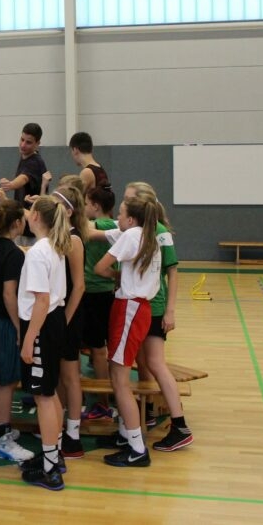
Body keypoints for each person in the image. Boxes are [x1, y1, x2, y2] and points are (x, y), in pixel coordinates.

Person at [93, 195, 162, 467]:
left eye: (120, 214)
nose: (117, 218)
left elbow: (100, 267)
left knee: (120, 380)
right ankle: (125, 434)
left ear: (131, 219)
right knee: (117, 373)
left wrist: (116, 276)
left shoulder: (131, 235)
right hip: (138, 308)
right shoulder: (149, 235)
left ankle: (137, 448)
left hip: (129, 309)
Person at [124, 182, 193, 452]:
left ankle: (179, 425)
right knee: (143, 361)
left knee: (155, 362)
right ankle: (149, 409)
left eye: (129, 199)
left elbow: (172, 272)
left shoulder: (160, 232)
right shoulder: (134, 230)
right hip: (141, 305)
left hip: (152, 306)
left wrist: (170, 310)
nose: (125, 204)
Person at [16, 195, 71, 490]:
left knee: (44, 396)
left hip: (42, 323)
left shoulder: (38, 252)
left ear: (35, 216)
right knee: (50, 392)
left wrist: (28, 340)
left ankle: (50, 470)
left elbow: (41, 300)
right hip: (53, 321)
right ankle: (54, 455)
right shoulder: (53, 246)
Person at [0, 200, 34, 463]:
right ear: (17, 223)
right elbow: (9, 294)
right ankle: (2, 440)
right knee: (7, 381)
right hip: (4, 321)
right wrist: (19, 327)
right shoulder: (13, 253)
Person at [51, 185, 87, 460]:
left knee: (71, 376)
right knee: (59, 376)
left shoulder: (73, 240)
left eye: (56, 204)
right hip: (57, 316)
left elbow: (79, 286)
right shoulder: (57, 237)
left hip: (69, 317)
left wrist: (65, 319)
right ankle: (58, 427)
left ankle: (73, 436)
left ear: (69, 211)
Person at [79, 185, 117, 420]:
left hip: (95, 294)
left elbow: (85, 229)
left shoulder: (103, 225)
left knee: (98, 348)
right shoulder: (113, 225)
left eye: (85, 204)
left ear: (95, 206)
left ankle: (103, 402)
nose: (83, 208)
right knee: (98, 347)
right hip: (102, 293)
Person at [0, 123, 47, 244]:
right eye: (22, 139)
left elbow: (24, 178)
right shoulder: (25, 157)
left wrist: (10, 184)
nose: (23, 145)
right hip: (24, 226)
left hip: (32, 231)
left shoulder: (35, 162)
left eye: (28, 142)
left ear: (37, 144)